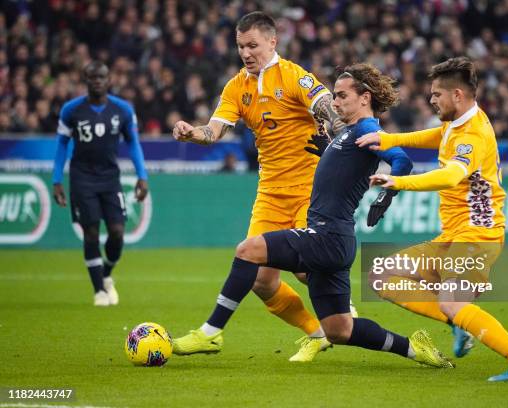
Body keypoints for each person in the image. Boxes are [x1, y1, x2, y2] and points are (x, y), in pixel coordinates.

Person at [172, 62, 452, 367]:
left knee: (248, 250)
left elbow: (400, 159)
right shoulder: (348, 135)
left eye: (342, 95)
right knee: (339, 330)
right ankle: (414, 348)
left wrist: (390, 190)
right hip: (336, 242)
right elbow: (346, 168)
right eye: (334, 96)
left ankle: (211, 331)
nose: (334, 102)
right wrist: (328, 149)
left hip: (326, 235)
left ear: (365, 97)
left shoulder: (368, 130)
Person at [172, 12, 397, 362]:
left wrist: (343, 135)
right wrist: (193, 132)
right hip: (270, 193)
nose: (246, 53)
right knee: (262, 280)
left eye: (253, 45)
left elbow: (329, 109)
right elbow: (214, 130)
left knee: (308, 270)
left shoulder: (295, 77)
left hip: (310, 189)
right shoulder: (236, 87)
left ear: (272, 42)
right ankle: (318, 332)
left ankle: (339, 312)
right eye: (240, 46)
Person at [357, 57, 508, 382]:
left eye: (436, 95)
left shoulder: (472, 136)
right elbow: (436, 136)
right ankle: (461, 323)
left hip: (476, 237)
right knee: (381, 275)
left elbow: (449, 177)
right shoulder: (458, 123)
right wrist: (390, 140)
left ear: (457, 95)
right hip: (452, 236)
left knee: (450, 302)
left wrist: (400, 181)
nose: (431, 100)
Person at [52, 61, 148, 307]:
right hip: (82, 178)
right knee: (91, 232)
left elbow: (133, 143)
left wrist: (142, 175)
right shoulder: (71, 110)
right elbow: (62, 144)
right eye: (93, 77)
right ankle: (99, 292)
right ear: (86, 80)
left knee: (117, 233)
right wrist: (56, 180)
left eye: (102, 77)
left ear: (109, 80)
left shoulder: (123, 110)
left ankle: (106, 273)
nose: (97, 81)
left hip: (110, 178)